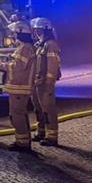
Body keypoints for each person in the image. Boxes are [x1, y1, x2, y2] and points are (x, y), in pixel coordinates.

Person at [0, 20, 36, 152]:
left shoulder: (25, 48)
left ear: (20, 33)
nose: (13, 36)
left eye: (14, 33)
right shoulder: (26, 47)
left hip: (19, 87)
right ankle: (23, 141)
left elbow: (17, 67)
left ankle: (22, 143)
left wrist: (1, 65)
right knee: (19, 114)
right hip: (19, 87)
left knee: (17, 115)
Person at [31, 17, 61, 146]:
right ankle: (41, 131)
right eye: (35, 30)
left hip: (45, 83)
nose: (36, 32)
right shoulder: (40, 44)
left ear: (45, 30)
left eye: (38, 30)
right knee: (39, 108)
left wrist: (49, 81)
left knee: (48, 109)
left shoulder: (51, 44)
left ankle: (52, 136)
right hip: (38, 82)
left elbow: (52, 65)